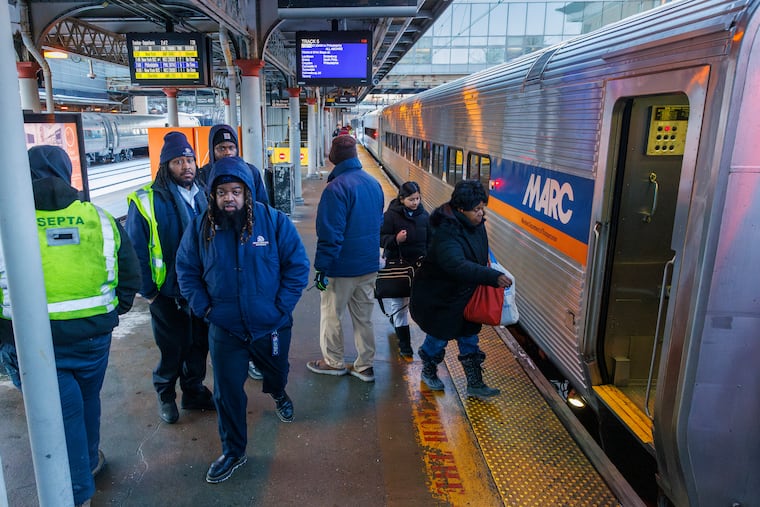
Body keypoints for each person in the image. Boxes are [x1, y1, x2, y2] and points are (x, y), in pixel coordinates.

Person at [0, 145, 140, 507]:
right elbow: (130, 273)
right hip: (93, 338)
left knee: (64, 417)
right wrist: (110, 313)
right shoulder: (99, 218)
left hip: (33, 343)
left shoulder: (9, 221)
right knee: (85, 402)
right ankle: (89, 461)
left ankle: (76, 496)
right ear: (66, 173)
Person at [176, 156, 310, 484]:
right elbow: (186, 270)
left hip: (271, 324)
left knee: (277, 373)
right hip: (226, 328)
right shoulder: (200, 228)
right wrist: (205, 309)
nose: (229, 198)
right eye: (223, 192)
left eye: (236, 191)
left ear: (247, 193)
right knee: (227, 392)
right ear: (213, 196)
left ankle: (278, 393)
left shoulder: (274, 222)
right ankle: (233, 451)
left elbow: (298, 266)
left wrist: (281, 307)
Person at [126, 131, 215, 424]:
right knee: (173, 349)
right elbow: (136, 248)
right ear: (166, 167)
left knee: (199, 345)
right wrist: (149, 291)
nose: (187, 166)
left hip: (201, 288)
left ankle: (193, 392)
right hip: (167, 293)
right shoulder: (147, 200)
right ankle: (166, 396)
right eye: (178, 161)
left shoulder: (204, 194)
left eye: (189, 160)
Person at [409, 179, 511, 399]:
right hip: (442, 298)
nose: (481, 214)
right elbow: (456, 265)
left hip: (468, 295)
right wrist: (492, 277)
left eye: (482, 208)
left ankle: (475, 383)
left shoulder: (474, 222)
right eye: (476, 209)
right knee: (438, 338)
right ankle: (429, 369)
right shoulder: (445, 230)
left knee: (469, 339)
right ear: (461, 209)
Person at [307, 135, 384, 382]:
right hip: (369, 265)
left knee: (332, 315)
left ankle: (334, 362)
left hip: (341, 269)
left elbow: (330, 235)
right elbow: (378, 224)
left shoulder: (336, 188)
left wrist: (321, 269)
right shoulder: (374, 184)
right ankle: (365, 366)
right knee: (364, 319)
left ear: (334, 158)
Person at [195, 124, 269, 381]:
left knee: (249, 308)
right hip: (215, 254)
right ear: (212, 150)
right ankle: (223, 357)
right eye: (220, 148)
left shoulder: (250, 172)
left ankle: (252, 358)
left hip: (247, 251)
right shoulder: (202, 175)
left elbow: (263, 209)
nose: (226, 152)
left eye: (230, 147)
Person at [379, 181, 431, 357]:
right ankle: (405, 345)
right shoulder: (390, 216)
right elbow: (380, 238)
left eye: (417, 198)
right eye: (411, 199)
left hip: (419, 268)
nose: (415, 202)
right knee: (399, 306)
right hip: (398, 268)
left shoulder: (425, 217)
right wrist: (395, 239)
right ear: (402, 199)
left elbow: (431, 241)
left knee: (419, 305)